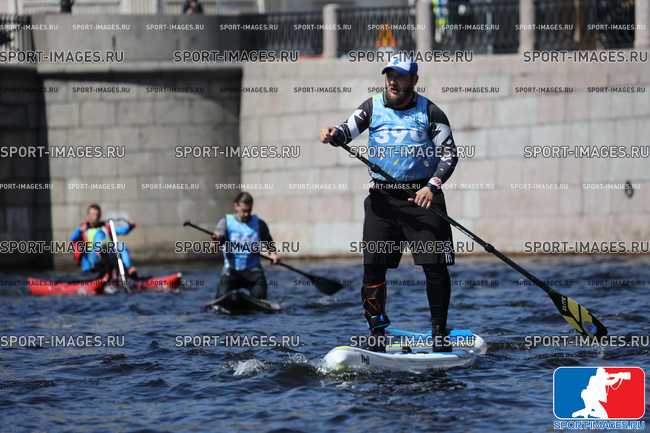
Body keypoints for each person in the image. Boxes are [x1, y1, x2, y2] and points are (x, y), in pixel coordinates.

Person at [319, 54, 459, 352]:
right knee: (373, 268)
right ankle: (377, 332)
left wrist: (432, 186)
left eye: (400, 76)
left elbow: (449, 154)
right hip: (382, 201)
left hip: (422, 199)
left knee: (435, 268)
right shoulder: (371, 107)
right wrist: (333, 134)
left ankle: (439, 332)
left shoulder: (430, 112)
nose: (393, 82)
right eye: (389, 76)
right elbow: (345, 131)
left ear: (414, 80)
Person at [212, 192, 279, 300]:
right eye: (244, 211)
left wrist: (273, 254)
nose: (247, 214)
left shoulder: (259, 224)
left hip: (253, 271)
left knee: (260, 296)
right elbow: (214, 248)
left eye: (249, 211)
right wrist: (216, 242)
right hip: (231, 271)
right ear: (236, 206)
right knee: (220, 298)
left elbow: (268, 241)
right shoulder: (225, 222)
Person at [70, 203, 137, 277]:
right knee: (99, 236)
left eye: (95, 214)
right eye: (91, 214)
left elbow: (121, 230)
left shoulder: (106, 227)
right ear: (88, 215)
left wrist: (130, 227)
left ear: (99, 216)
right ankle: (109, 269)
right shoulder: (83, 229)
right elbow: (72, 238)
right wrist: (79, 230)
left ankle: (127, 268)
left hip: (108, 255)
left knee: (121, 246)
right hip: (92, 260)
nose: (93, 217)